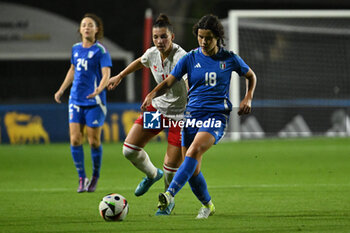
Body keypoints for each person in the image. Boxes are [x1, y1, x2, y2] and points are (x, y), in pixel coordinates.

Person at [141, 14, 257, 219]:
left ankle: (169, 194)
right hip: (191, 116)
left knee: (193, 152)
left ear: (217, 37)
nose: (204, 41)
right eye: (201, 37)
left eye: (208, 38)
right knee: (193, 169)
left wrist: (248, 97)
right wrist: (152, 93)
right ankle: (208, 205)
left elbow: (250, 75)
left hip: (216, 116)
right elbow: (169, 82)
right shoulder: (190, 58)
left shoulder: (229, 58)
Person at [107, 14, 187, 215]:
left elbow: (179, 81)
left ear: (172, 37)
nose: (159, 41)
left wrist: (153, 93)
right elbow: (140, 61)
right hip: (159, 109)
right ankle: (152, 174)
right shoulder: (152, 53)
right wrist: (120, 75)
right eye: (156, 37)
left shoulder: (181, 57)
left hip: (180, 115)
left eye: (164, 37)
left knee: (171, 168)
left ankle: (168, 200)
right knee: (129, 150)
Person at [54, 13, 112, 193]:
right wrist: (62, 89)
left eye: (90, 25)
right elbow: (72, 69)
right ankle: (82, 177)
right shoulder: (75, 49)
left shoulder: (100, 51)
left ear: (96, 30)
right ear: (80, 29)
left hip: (94, 102)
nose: (86, 27)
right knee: (75, 139)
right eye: (83, 25)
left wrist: (100, 88)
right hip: (75, 100)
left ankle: (95, 176)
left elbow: (106, 74)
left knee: (94, 141)